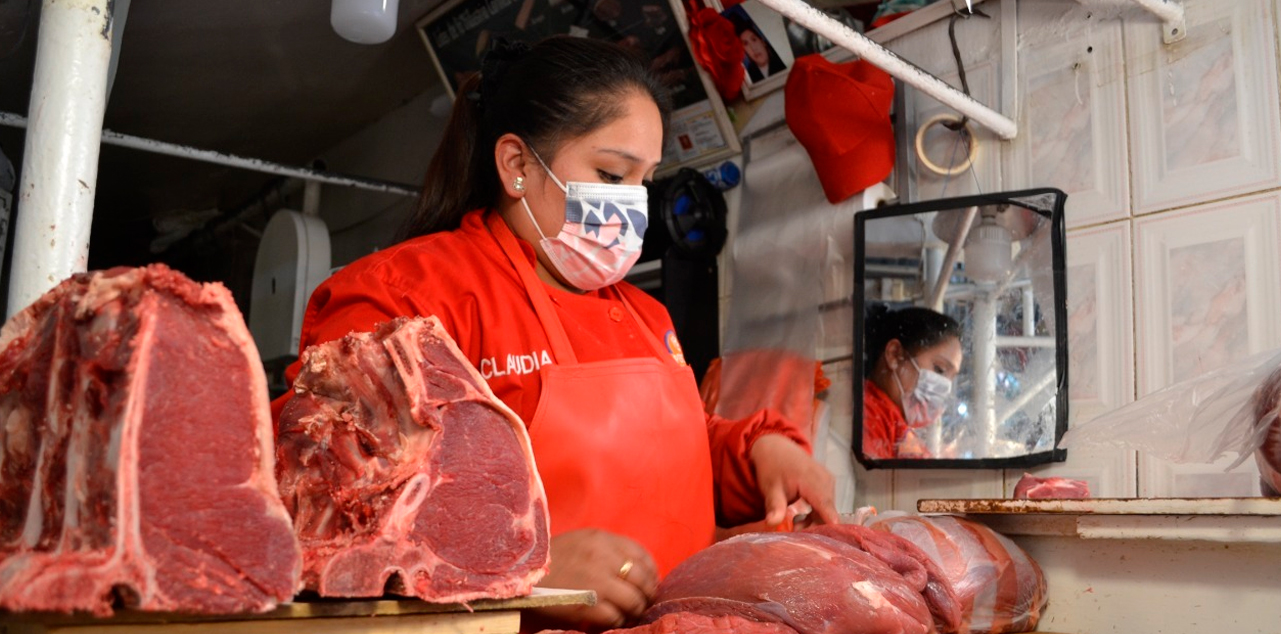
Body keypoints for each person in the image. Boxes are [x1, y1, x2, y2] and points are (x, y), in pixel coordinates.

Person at [273, 36, 836, 632]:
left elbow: (669, 455)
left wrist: (755, 452)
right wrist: (520, 569)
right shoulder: (402, 296)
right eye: (610, 172)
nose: (631, 204)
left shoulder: (648, 316)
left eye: (644, 180)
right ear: (516, 164)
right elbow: (328, 506)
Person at [862, 306, 963, 459]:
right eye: (940, 369)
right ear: (895, 354)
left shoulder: (893, 426)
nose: (945, 387)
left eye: (951, 378)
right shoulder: (867, 417)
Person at [726, 10, 786, 82]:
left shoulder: (782, 59)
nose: (753, 48)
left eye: (754, 40)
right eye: (746, 44)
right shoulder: (749, 77)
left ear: (762, 41)